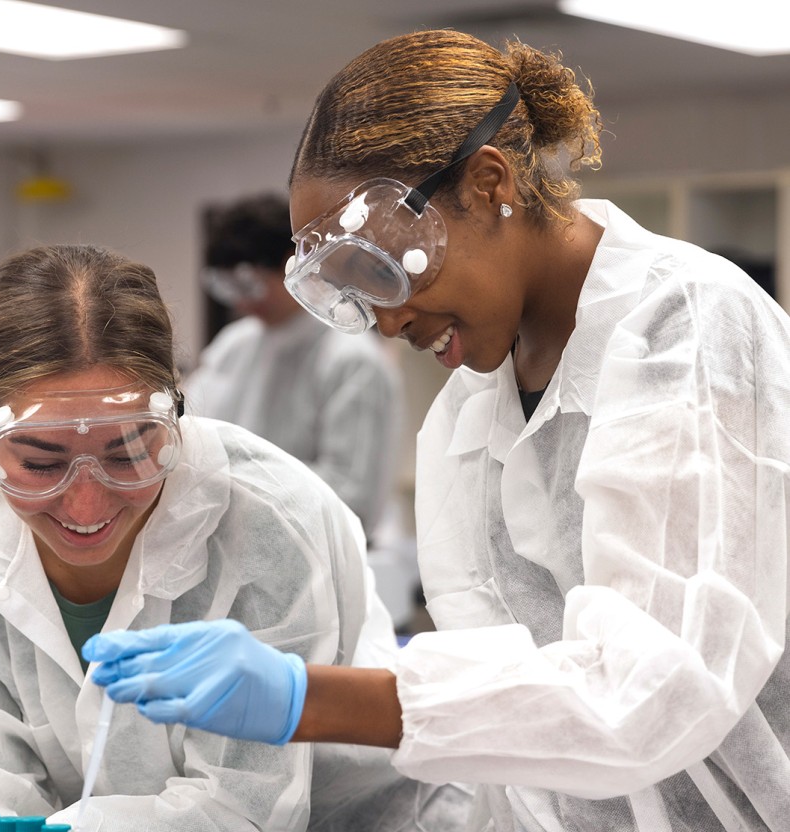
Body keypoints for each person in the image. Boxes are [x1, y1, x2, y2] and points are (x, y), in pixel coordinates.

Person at [83, 29, 790, 831]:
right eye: (351, 295)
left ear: (489, 184)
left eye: (384, 273)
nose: (384, 323)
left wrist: (305, 697)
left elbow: (650, 694)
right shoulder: (469, 404)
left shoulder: (687, 326)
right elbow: (501, 693)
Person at [0, 244, 468, 832]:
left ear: (175, 415)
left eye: (128, 454)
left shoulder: (269, 517)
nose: (86, 505)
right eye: (42, 463)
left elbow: (243, 808)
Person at [184, 193, 403, 540]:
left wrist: (233, 492)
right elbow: (190, 436)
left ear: (292, 264)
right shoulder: (235, 344)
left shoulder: (350, 359)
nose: (242, 301)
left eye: (251, 284)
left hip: (315, 555)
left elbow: (353, 497)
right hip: (229, 544)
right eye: (228, 288)